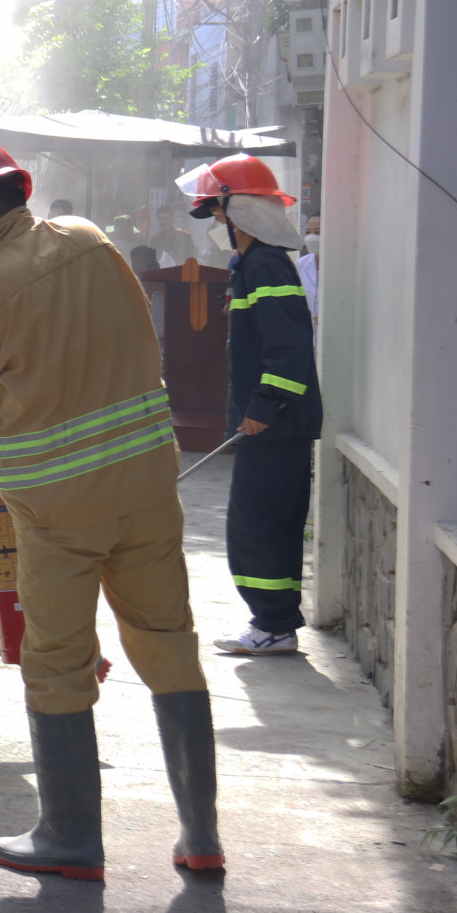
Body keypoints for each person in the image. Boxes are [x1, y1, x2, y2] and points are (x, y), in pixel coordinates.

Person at [0, 137, 220, 881]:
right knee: (168, 642)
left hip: (61, 511)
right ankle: (200, 837)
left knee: (56, 662)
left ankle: (69, 838)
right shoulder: (91, 241)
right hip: (150, 489)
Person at [178, 156, 322, 656]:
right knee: (265, 523)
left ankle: (274, 624)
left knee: (257, 525)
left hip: (275, 425)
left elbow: (290, 347)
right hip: (274, 425)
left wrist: (265, 404)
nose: (214, 222)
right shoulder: (253, 266)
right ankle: (273, 622)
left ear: (236, 209)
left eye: (216, 211)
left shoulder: (264, 264)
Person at [297, 214, 321, 326]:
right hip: (306, 333)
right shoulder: (302, 264)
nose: (311, 237)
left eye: (317, 232)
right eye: (308, 232)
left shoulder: (340, 266)